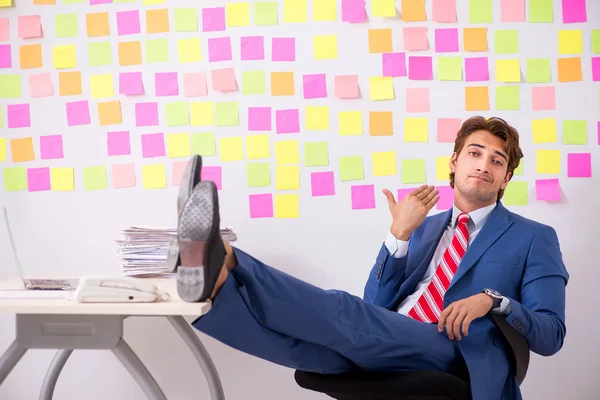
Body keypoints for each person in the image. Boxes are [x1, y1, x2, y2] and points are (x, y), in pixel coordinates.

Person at [173, 116, 569, 400]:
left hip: (456, 348)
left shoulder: (534, 237)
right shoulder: (425, 227)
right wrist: (398, 235)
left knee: (342, 309)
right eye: (475, 153)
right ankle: (218, 286)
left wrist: (493, 301)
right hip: (394, 335)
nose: (484, 164)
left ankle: (225, 256)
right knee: (306, 347)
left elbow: (551, 335)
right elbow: (375, 306)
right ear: (454, 163)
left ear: (505, 179)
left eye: (497, 161)